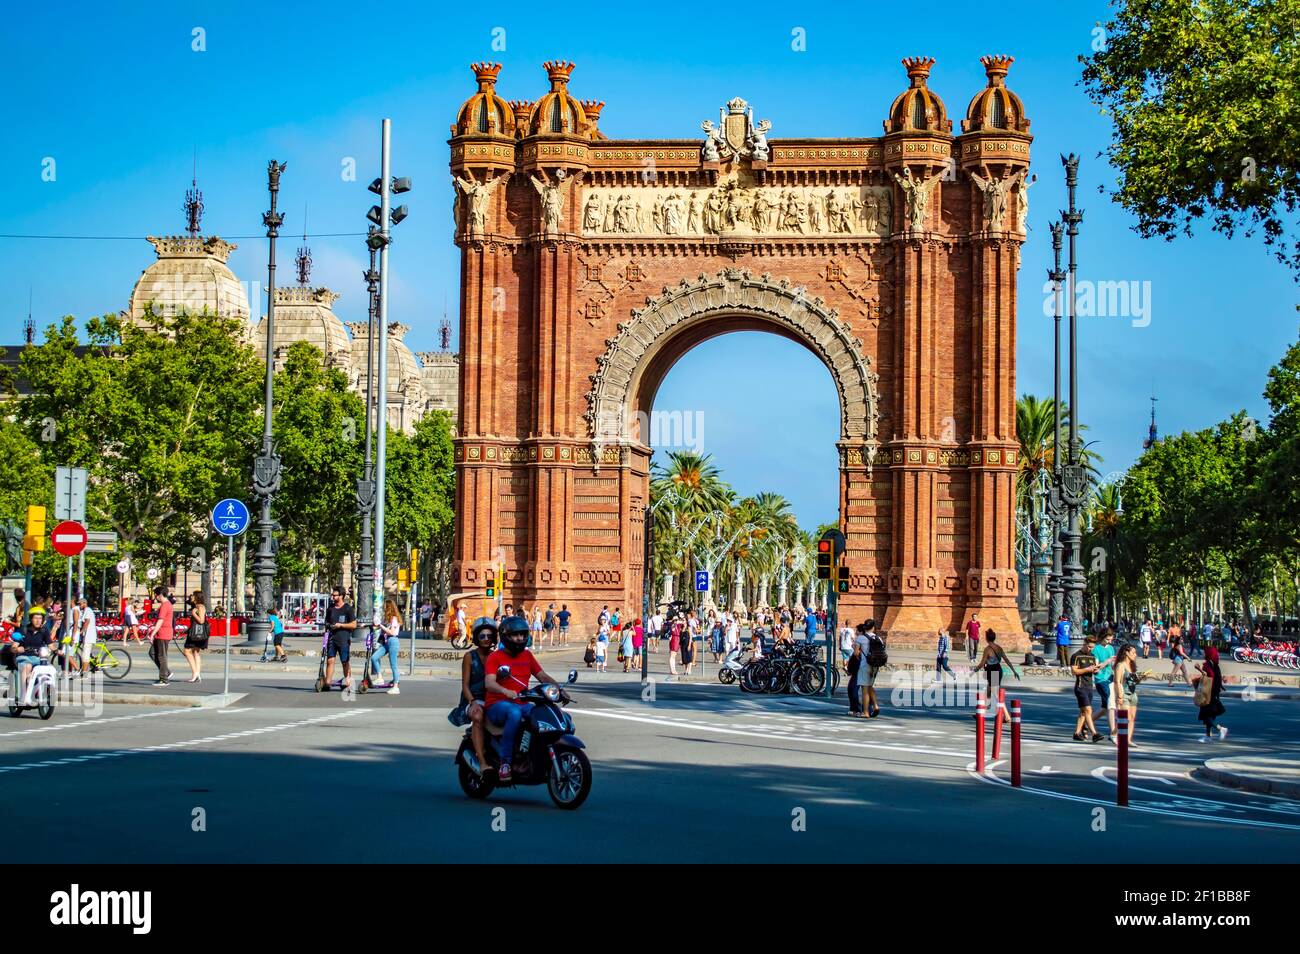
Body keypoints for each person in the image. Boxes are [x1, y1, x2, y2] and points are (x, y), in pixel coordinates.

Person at [483, 615, 565, 781]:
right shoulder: (495, 657)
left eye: (522, 634)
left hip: (522, 703)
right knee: (514, 713)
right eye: (515, 635)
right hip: (497, 704)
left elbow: (542, 676)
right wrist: (505, 691)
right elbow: (489, 683)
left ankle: (533, 756)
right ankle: (505, 763)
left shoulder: (526, 656)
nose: (520, 638)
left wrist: (559, 689)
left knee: (546, 714)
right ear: (506, 636)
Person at [458, 617, 497, 774]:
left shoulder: (496, 655)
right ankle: (482, 762)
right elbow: (465, 686)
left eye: (489, 636)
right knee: (478, 715)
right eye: (482, 636)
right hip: (473, 699)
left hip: (492, 699)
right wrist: (472, 701)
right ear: (476, 638)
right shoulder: (469, 656)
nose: (486, 639)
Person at [6, 605, 55, 701]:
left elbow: (51, 644)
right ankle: (23, 694)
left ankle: (45, 691)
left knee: (49, 669)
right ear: (31, 619)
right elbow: (14, 646)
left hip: (38, 658)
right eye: (35, 618)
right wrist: (16, 649)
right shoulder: (23, 630)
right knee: (27, 666)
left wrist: (58, 650)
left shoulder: (44, 631)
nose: (38, 621)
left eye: (40, 618)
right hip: (24, 657)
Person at [1113, 642, 1151, 746]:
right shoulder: (1121, 665)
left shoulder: (1132, 666)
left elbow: (1134, 682)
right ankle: (1116, 735)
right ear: (1126, 653)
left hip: (1133, 694)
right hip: (1124, 694)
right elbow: (1117, 681)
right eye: (1133, 653)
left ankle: (1127, 740)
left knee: (1132, 718)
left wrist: (1141, 678)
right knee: (1125, 718)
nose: (1136, 655)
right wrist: (1119, 695)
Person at [322, 587, 358, 691]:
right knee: (330, 660)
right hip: (332, 638)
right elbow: (327, 622)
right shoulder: (331, 608)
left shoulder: (348, 609)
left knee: (345, 661)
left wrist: (341, 625)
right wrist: (328, 627)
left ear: (341, 596)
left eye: (335, 595)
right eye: (332, 595)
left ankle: (348, 682)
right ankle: (327, 683)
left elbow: (354, 624)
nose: (332, 597)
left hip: (343, 638)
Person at [1070, 635, 1102, 741]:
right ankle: (1094, 733)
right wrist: (1087, 669)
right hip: (1080, 686)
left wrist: (1096, 670)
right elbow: (1074, 671)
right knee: (1088, 710)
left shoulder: (1092, 656)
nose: (1090, 649)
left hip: (1089, 687)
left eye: (1092, 647)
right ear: (1084, 644)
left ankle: (1077, 733)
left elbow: (1095, 671)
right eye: (1089, 646)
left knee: (1083, 712)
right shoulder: (1076, 656)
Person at [972, 630, 1020, 697]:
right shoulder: (999, 648)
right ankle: (994, 703)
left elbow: (982, 663)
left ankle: (991, 703)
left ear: (986, 639)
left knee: (991, 689)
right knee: (994, 688)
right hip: (998, 668)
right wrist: (1014, 671)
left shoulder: (987, 649)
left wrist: (974, 670)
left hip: (991, 670)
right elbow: (1006, 660)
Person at [852, 619, 885, 717]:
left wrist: (859, 656)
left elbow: (856, 653)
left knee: (864, 689)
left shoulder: (860, 638)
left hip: (865, 665)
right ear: (873, 627)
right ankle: (875, 706)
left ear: (865, 627)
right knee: (870, 686)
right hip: (875, 665)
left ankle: (865, 712)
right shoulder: (878, 638)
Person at [1194, 647, 1228, 742]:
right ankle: (1208, 736)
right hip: (1214, 691)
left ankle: (1221, 729)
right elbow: (1217, 677)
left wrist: (1199, 669)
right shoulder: (1216, 664)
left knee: (1205, 715)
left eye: (1205, 653)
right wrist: (1221, 686)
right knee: (1209, 715)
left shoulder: (1208, 664)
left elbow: (1210, 676)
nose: (1204, 654)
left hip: (1208, 692)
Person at [370, 598, 402, 694]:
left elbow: (392, 632)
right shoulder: (388, 619)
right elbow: (383, 629)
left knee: (393, 665)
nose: (384, 609)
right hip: (387, 642)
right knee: (374, 657)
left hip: (393, 641)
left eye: (385, 607)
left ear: (389, 608)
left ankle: (396, 686)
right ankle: (380, 677)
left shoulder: (394, 619)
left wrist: (381, 626)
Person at [1091, 628, 1117, 743]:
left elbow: (1112, 666)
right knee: (1111, 705)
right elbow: (1096, 668)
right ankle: (1113, 733)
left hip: (1110, 678)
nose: (1109, 642)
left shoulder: (1111, 648)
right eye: (1107, 639)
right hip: (1100, 679)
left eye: (1111, 639)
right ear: (1101, 638)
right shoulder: (1096, 649)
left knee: (1105, 707)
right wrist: (1108, 661)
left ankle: (1087, 722)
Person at [146, 584, 174, 686]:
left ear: (159, 595)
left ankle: (164, 679)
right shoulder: (166, 605)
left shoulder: (165, 605)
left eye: (155, 595)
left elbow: (160, 621)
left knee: (161, 656)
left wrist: (152, 633)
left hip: (163, 633)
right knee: (152, 653)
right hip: (161, 633)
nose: (155, 598)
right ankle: (166, 672)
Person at [180, 591, 208, 683]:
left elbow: (201, 621)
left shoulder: (200, 607)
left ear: (197, 597)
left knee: (187, 651)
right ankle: (197, 673)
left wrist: (194, 614)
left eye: (193, 595)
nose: (191, 596)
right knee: (195, 652)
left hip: (196, 634)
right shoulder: (197, 606)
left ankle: (195, 673)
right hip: (195, 633)